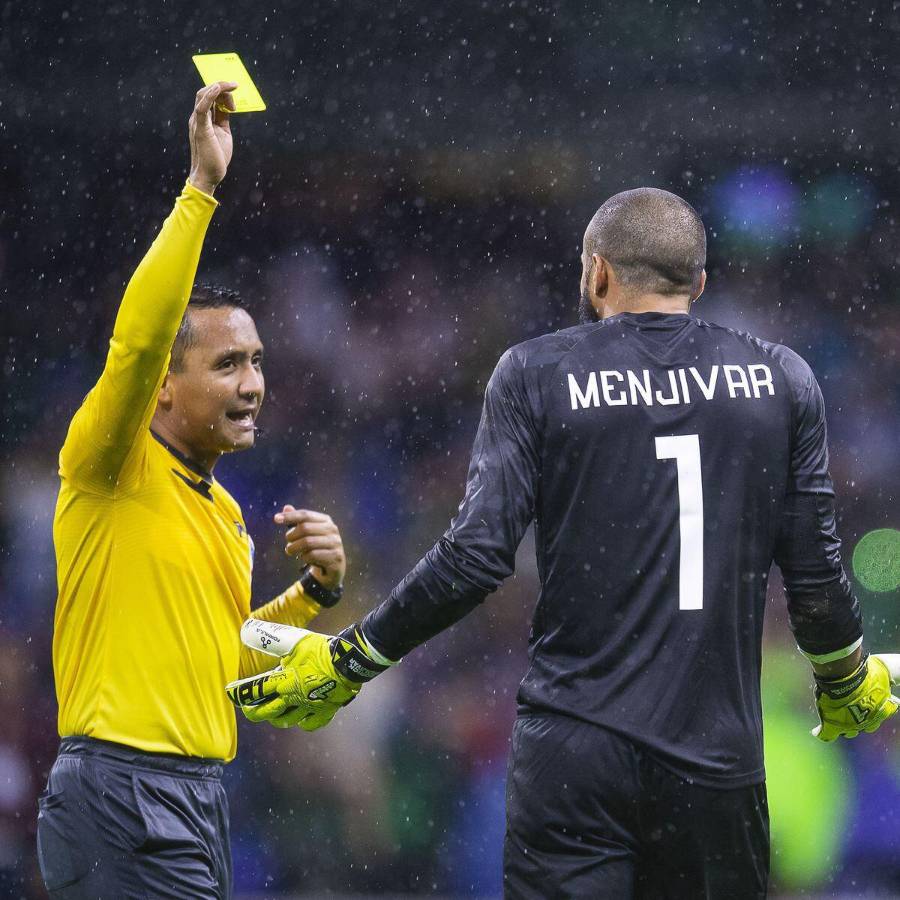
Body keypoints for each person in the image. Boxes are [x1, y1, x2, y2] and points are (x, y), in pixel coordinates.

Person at [230, 188, 898, 898]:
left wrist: (351, 658)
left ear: (598, 273)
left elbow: (474, 557)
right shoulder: (781, 378)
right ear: (697, 285)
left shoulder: (537, 372)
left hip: (577, 752)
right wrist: (845, 681)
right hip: (713, 758)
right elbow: (814, 574)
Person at [39, 84, 348, 899]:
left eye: (256, 362)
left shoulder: (224, 512)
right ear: (164, 389)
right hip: (121, 792)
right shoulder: (109, 466)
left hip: (201, 799)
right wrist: (200, 190)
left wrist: (314, 593)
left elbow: (232, 665)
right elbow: (138, 340)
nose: (254, 383)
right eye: (227, 364)